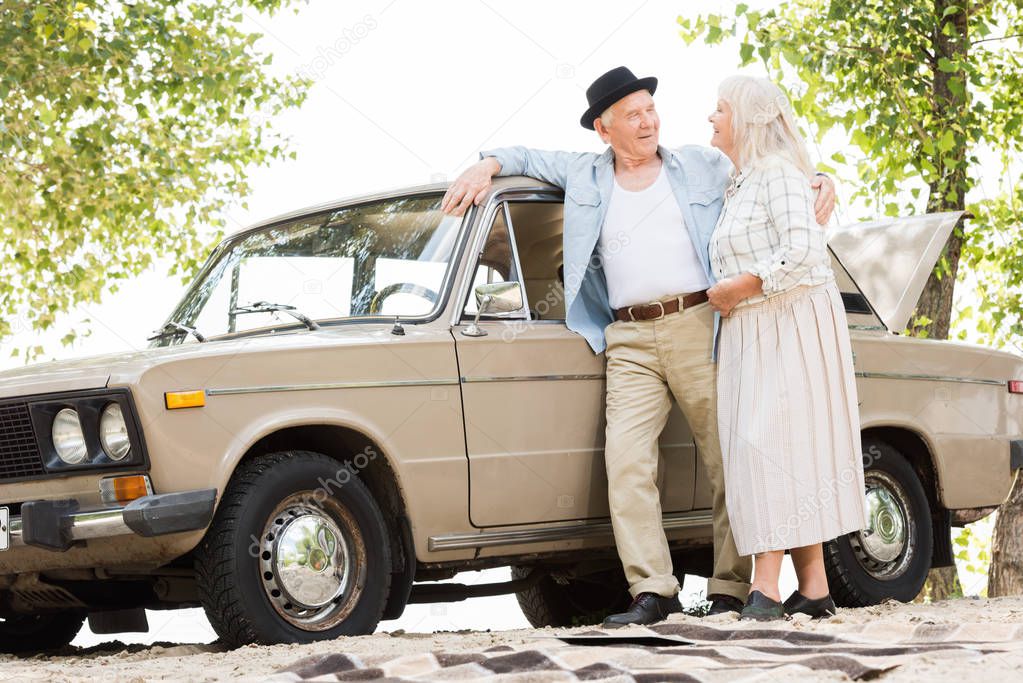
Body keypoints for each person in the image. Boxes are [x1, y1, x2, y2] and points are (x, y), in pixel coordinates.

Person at [441, 66, 836, 626]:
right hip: (625, 336)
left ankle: (728, 588)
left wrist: (820, 178)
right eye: (633, 114)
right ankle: (653, 590)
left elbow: (770, 164)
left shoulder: (701, 164)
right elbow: (524, 155)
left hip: (701, 321)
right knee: (626, 464)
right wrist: (486, 164)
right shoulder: (584, 174)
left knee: (730, 460)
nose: (649, 120)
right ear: (604, 129)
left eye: (651, 108)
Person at [705, 75, 868, 621]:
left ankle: (767, 587)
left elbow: (804, 251)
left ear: (747, 119)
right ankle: (816, 587)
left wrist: (743, 285)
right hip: (751, 330)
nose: (711, 118)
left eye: (720, 109)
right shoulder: (740, 179)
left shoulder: (776, 173)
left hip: (788, 322)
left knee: (767, 445)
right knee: (779, 448)